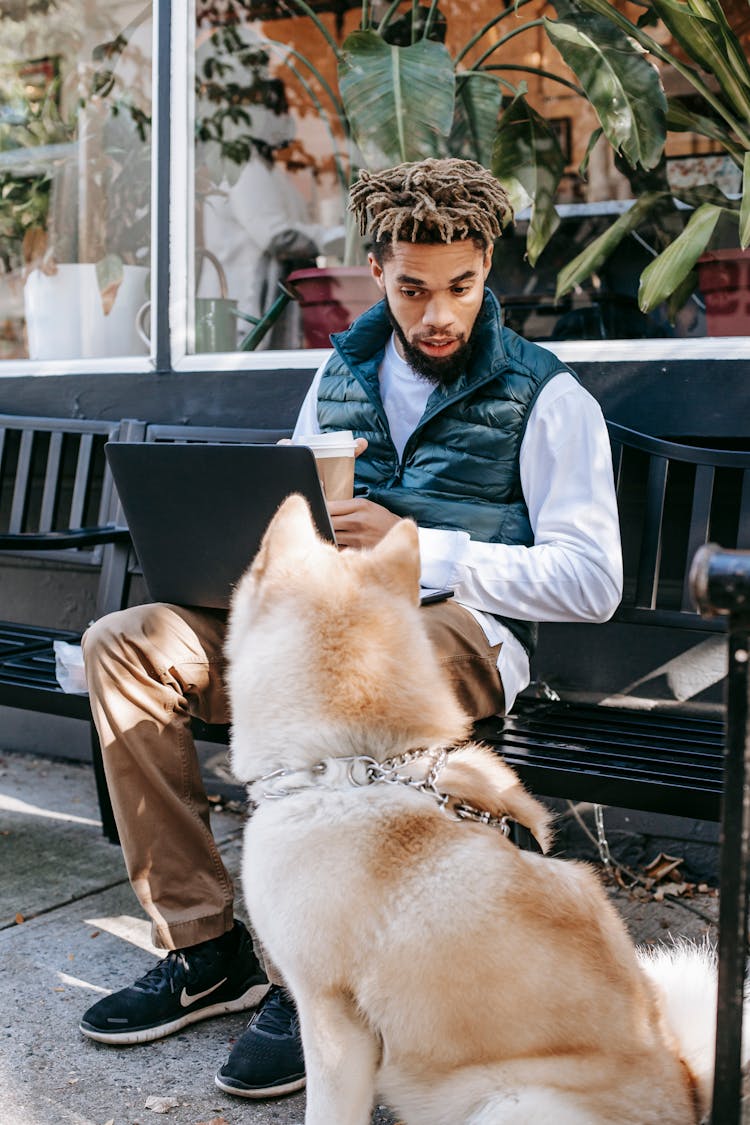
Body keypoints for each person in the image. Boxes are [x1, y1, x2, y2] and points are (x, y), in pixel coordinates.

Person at [79, 156, 623, 1100]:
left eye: (459, 286)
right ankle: (207, 949)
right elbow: (292, 509)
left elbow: (594, 581)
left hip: (461, 633)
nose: (438, 313)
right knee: (125, 643)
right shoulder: (337, 375)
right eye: (413, 289)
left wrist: (427, 548)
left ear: (487, 265)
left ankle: (313, 977)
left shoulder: (550, 397)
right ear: (379, 271)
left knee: (335, 687)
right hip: (319, 624)